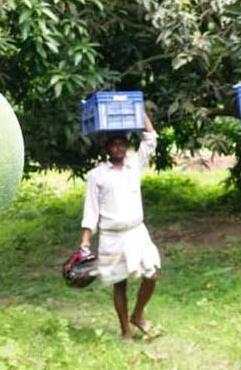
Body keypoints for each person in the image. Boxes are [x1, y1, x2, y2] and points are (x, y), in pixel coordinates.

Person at [79, 114, 160, 339]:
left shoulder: (134, 165)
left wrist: (140, 110)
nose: (118, 148)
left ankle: (138, 315)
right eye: (113, 145)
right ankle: (125, 331)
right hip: (111, 235)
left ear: (126, 146)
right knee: (119, 283)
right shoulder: (97, 175)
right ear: (107, 148)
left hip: (136, 231)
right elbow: (91, 211)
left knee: (152, 273)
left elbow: (150, 138)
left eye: (121, 144)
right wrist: (85, 241)